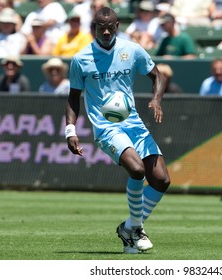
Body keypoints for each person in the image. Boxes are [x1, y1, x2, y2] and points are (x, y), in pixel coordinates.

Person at [65, 7, 170, 254]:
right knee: (136, 169)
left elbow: (157, 76)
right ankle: (134, 227)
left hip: (132, 123)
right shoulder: (81, 59)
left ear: (117, 25)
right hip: (106, 126)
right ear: (93, 28)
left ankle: (131, 227)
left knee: (162, 180)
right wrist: (71, 130)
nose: (105, 31)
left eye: (110, 26)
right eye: (100, 27)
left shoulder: (131, 49)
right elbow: (73, 97)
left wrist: (156, 100)